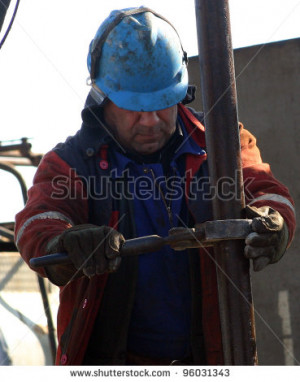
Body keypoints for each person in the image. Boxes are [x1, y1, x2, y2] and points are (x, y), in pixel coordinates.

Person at [15, 7, 295, 366]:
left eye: (163, 104)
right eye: (134, 107)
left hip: (210, 362)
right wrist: (66, 243)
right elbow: (37, 222)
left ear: (180, 92)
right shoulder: (70, 164)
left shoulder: (224, 146)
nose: (150, 120)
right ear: (103, 99)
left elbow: (267, 191)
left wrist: (275, 223)